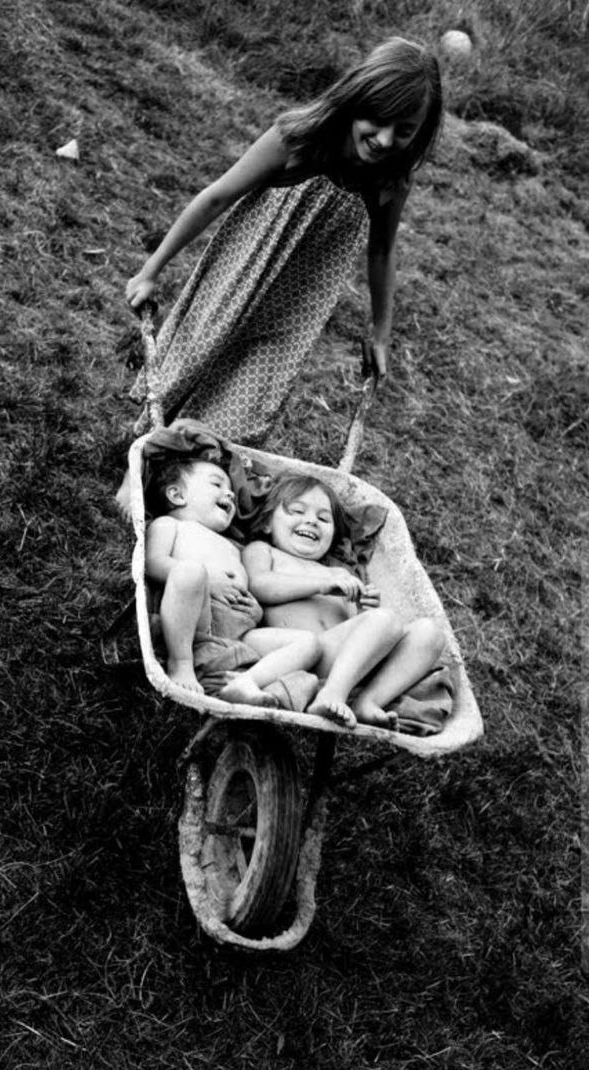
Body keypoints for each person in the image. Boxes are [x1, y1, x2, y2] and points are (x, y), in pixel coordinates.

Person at [125, 37, 443, 450]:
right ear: (356, 98)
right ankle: (148, 452)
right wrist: (152, 270)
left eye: (403, 131)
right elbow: (217, 196)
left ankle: (207, 469)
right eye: (377, 121)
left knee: (248, 399)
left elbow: (382, 253)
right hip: (240, 277)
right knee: (195, 362)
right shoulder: (295, 140)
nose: (383, 140)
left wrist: (380, 333)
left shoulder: (389, 182)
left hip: (293, 312)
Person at [242, 474, 446, 728]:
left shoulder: (340, 574)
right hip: (300, 656)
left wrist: (363, 608)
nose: (311, 521)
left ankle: (368, 701)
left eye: (323, 518)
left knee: (430, 632)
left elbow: (357, 629)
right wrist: (322, 585)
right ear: (267, 524)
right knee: (384, 619)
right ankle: (331, 694)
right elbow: (259, 585)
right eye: (297, 510)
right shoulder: (263, 551)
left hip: (347, 664)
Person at [145, 457, 322, 708]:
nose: (229, 493)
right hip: (197, 619)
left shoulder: (235, 547)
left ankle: (246, 682)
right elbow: (152, 562)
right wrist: (210, 580)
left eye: (231, 490)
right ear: (177, 495)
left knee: (309, 643)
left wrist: (256, 611)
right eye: (217, 484)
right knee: (190, 572)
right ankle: (181, 664)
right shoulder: (170, 525)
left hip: (241, 633)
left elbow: (248, 589)